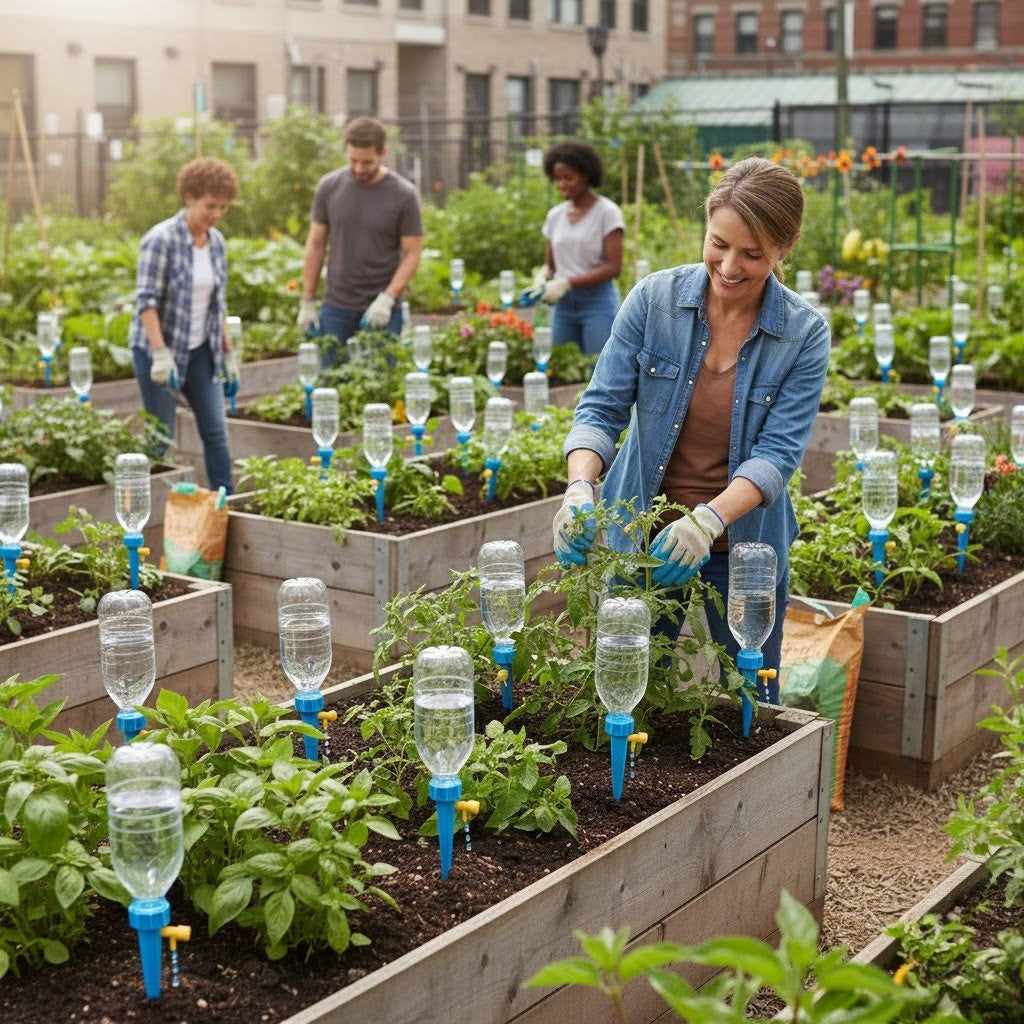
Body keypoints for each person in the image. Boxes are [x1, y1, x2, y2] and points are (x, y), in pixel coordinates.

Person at [553, 156, 830, 676]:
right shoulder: (653, 301)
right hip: (642, 537)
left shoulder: (803, 333)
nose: (729, 267)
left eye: (752, 254)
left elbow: (777, 455)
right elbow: (601, 408)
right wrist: (579, 487)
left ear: (786, 247)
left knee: (750, 696)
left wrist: (706, 522)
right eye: (718, 244)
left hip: (744, 548)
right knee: (630, 683)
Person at [130, 156, 240, 493]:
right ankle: (146, 507)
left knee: (216, 431)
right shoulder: (160, 240)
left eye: (223, 207)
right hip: (159, 350)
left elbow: (217, 305)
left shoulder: (217, 243)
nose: (216, 214)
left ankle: (225, 505)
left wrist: (228, 354)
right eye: (210, 206)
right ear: (189, 197)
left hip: (201, 350)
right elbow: (146, 302)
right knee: (160, 437)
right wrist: (160, 354)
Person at [297, 116, 423, 365]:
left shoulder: (403, 195)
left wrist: (388, 298)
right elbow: (316, 244)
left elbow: (412, 254)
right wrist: (307, 300)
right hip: (336, 306)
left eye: (367, 162)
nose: (358, 168)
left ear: (383, 153)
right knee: (331, 379)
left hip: (382, 308)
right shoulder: (329, 187)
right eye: (353, 160)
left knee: (380, 380)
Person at [528, 140, 624, 356]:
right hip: (563, 306)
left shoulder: (607, 213)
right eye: (557, 179)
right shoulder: (555, 216)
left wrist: (567, 282)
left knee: (598, 365)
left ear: (585, 175)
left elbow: (613, 268)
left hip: (597, 303)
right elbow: (550, 266)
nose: (562, 184)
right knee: (562, 365)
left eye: (568, 177)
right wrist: (542, 279)